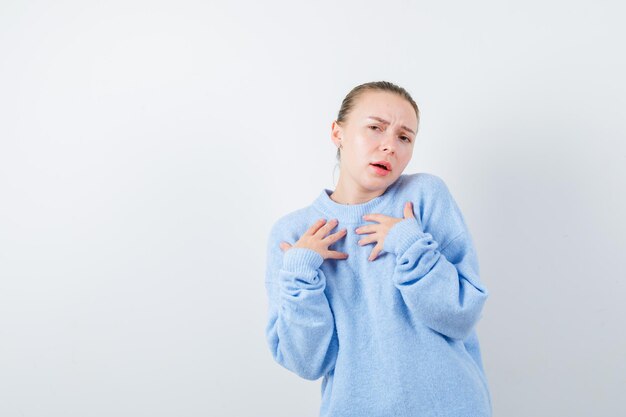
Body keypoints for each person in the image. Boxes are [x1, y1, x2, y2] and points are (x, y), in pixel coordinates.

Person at [264, 81, 492, 417]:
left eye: (404, 137)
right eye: (375, 128)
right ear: (337, 133)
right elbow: (307, 362)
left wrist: (410, 244)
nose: (390, 146)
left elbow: (461, 315)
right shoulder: (293, 234)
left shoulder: (425, 196)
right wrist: (300, 274)